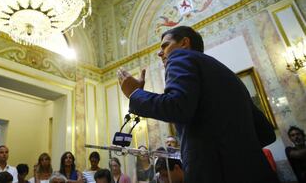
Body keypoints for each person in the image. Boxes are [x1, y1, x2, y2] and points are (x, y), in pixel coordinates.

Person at [117, 26, 278, 183]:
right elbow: (266, 132)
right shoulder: (229, 76)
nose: (160, 53)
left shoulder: (180, 57)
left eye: (165, 46)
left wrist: (135, 94)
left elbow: (178, 107)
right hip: (257, 171)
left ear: (184, 43)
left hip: (214, 174)